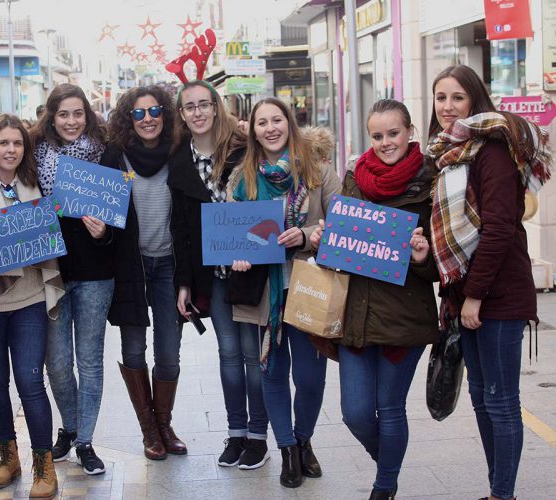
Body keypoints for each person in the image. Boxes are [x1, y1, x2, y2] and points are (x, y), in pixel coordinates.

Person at [426, 65, 551, 500]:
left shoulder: (491, 150)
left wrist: (474, 296)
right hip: (469, 295)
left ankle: (502, 494)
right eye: (440, 97)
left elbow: (499, 228)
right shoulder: (450, 152)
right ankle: (500, 490)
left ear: (475, 100)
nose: (447, 106)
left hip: (498, 294)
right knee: (481, 399)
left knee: (500, 402)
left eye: (457, 97)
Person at [311, 99, 438, 500]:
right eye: (378, 136)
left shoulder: (431, 180)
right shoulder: (355, 177)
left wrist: (423, 257)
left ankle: (384, 487)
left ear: (410, 131)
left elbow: (444, 261)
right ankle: (389, 461)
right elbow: (341, 240)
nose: (386, 143)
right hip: (356, 315)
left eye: (394, 133)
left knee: (390, 407)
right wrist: (322, 240)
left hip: (403, 318)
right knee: (356, 413)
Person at [227, 97, 340, 488]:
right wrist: (239, 255)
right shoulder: (243, 179)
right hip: (264, 296)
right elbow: (231, 234)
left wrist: (309, 235)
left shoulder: (320, 172)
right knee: (272, 375)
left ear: (290, 124)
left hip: (310, 289)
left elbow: (342, 229)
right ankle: (288, 450)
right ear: (253, 130)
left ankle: (305, 438)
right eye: (262, 122)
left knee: (310, 378)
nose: (270, 128)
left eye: (277, 120)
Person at [169, 80, 270, 469]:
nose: (197, 112)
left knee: (252, 355)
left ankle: (258, 436)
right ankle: (237, 433)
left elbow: (266, 202)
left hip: (252, 268)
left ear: (216, 107)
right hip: (213, 274)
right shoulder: (179, 162)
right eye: (189, 107)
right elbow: (179, 227)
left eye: (204, 105)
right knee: (228, 355)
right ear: (182, 114)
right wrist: (184, 283)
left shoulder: (245, 149)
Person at [0, 113, 64, 498]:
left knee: (29, 381)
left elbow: (51, 235)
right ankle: (8, 456)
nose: (10, 149)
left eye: (17, 143)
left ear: (26, 149)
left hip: (31, 299)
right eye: (3, 143)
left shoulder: (37, 184)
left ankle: (44, 464)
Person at [100, 85, 185, 460]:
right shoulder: (114, 156)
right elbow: (100, 210)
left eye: (154, 111)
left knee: (169, 352)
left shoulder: (179, 153)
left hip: (169, 264)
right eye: (138, 113)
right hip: (130, 266)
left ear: (165, 115)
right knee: (134, 347)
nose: (147, 119)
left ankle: (165, 424)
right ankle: (149, 430)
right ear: (127, 118)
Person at [31, 84, 113, 475]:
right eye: (63, 114)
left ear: (88, 115)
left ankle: (85, 441)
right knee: (58, 363)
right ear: (51, 116)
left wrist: (105, 232)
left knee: (90, 361)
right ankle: (70, 425)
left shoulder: (106, 153)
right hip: (51, 272)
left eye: (78, 113)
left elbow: (121, 214)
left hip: (97, 272)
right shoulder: (35, 156)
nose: (71, 121)